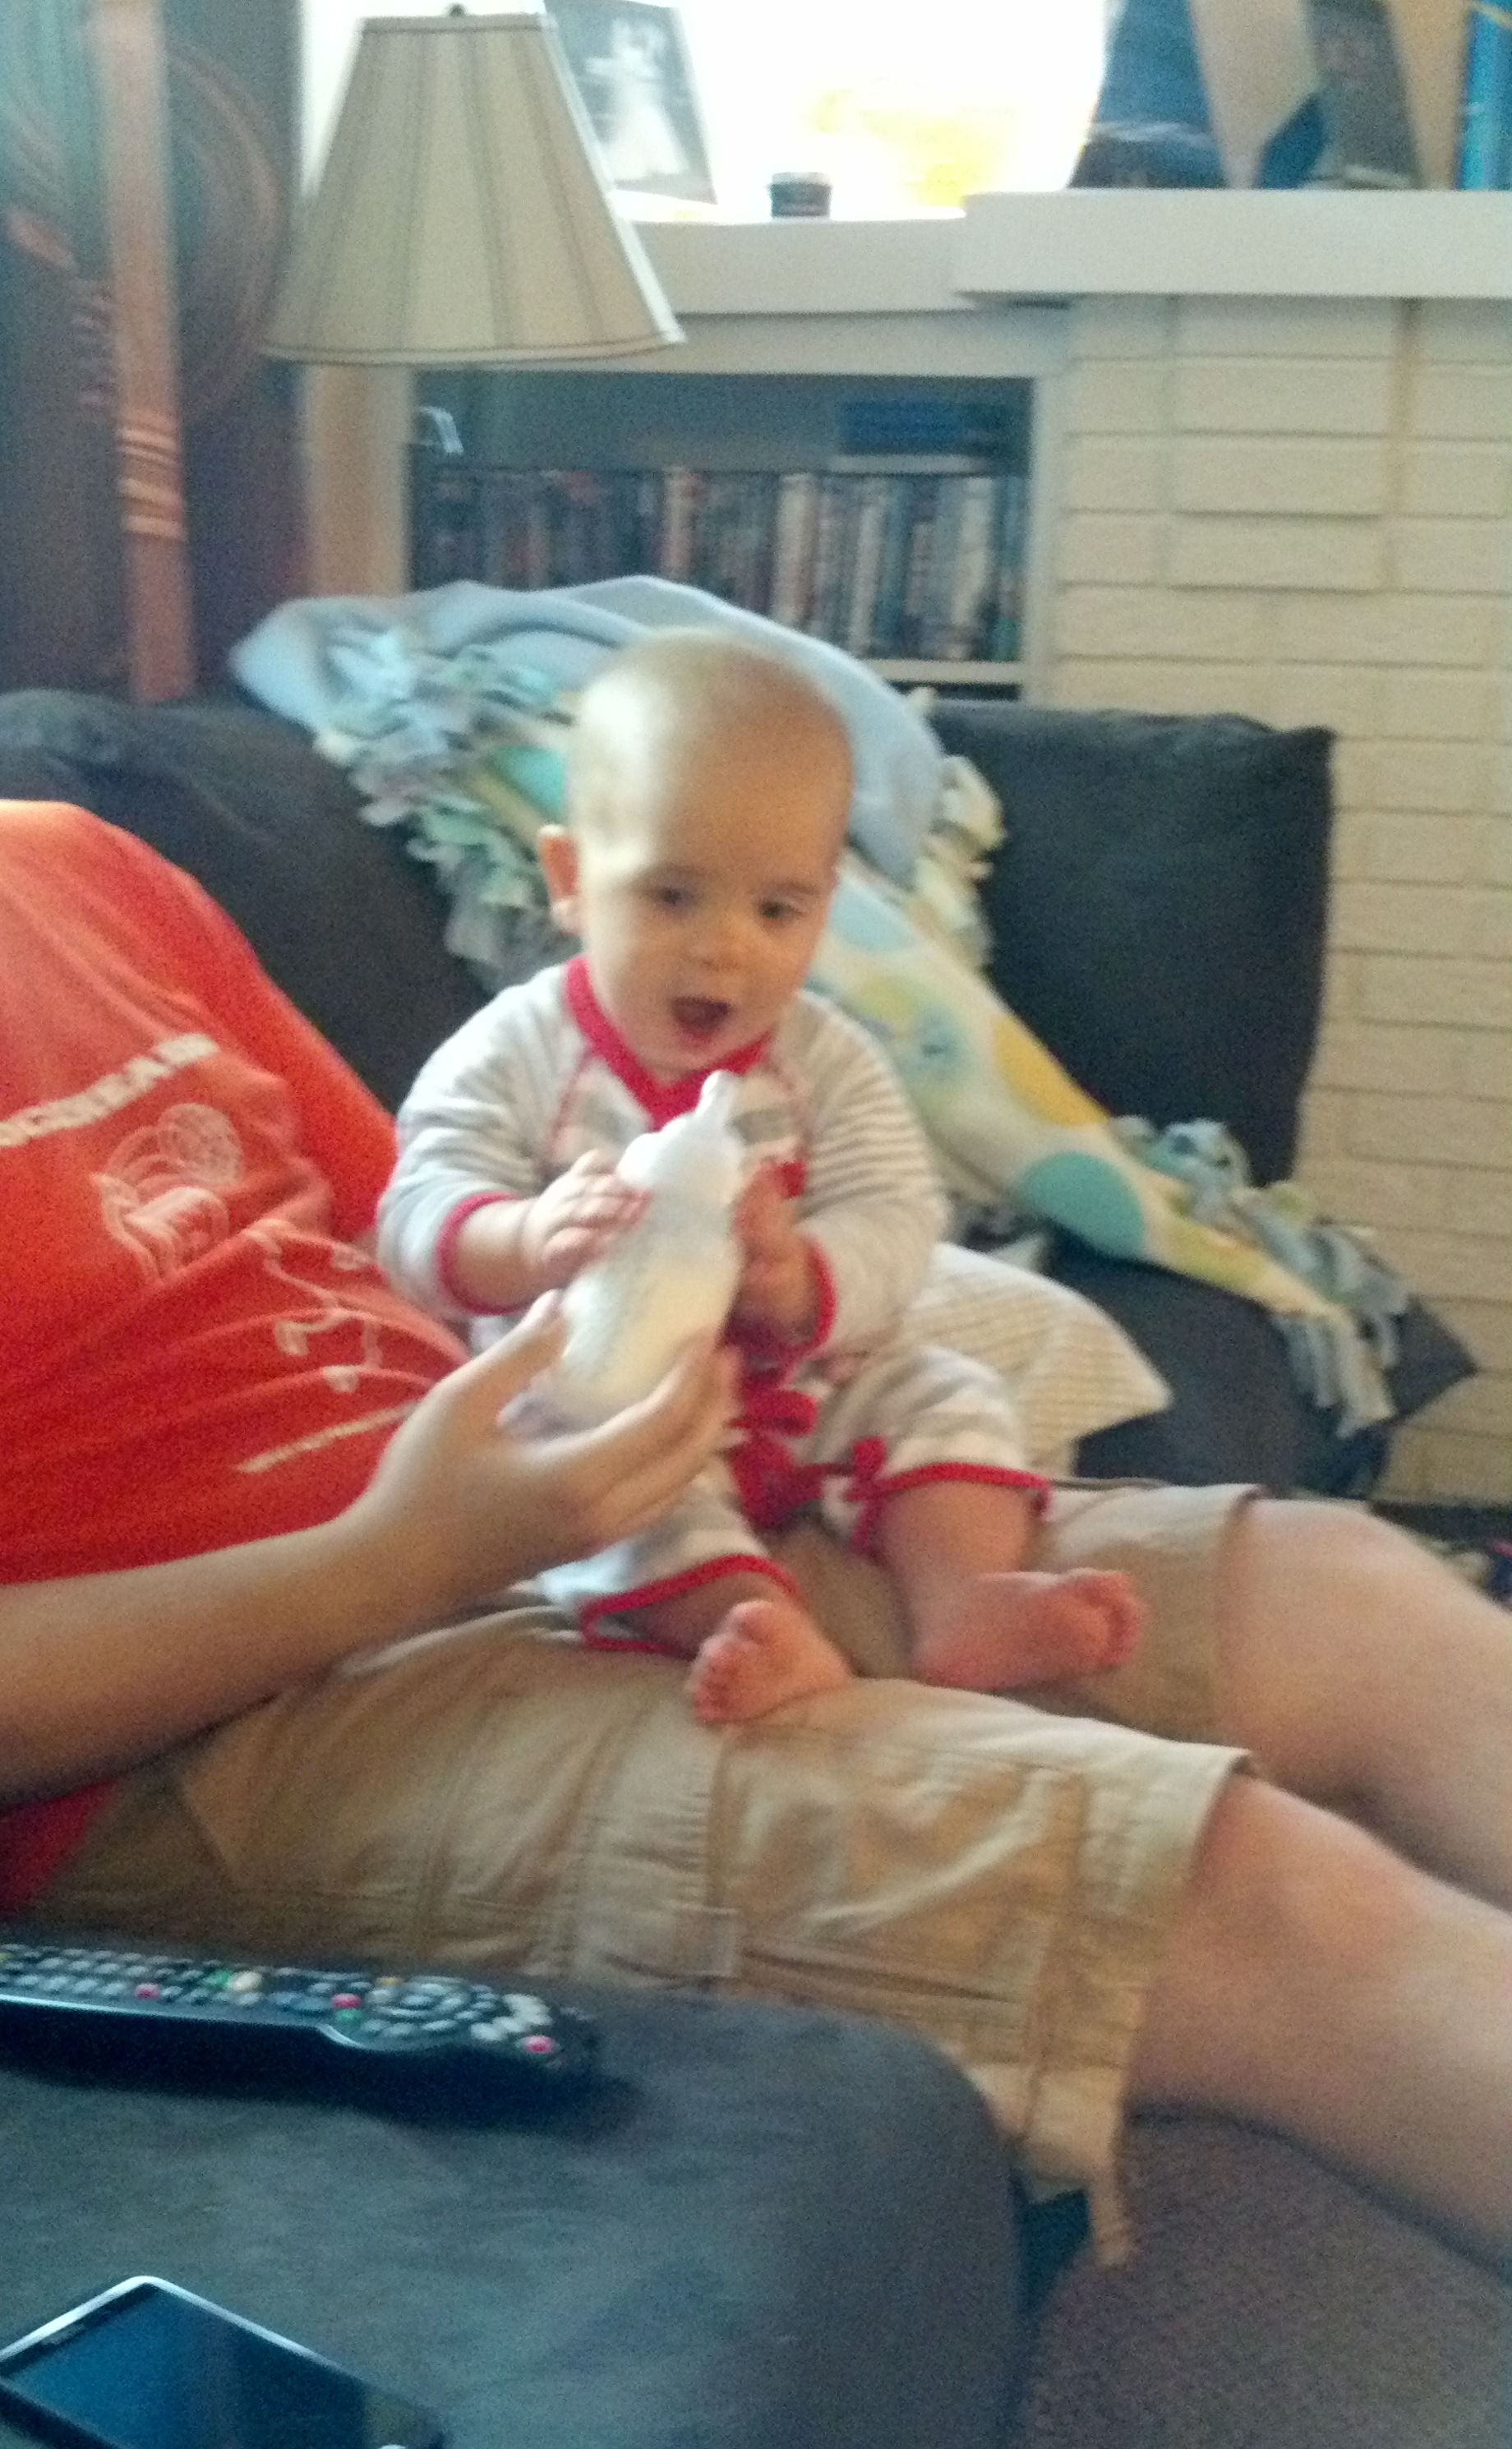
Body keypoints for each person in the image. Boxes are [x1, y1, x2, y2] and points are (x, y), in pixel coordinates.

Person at [2, 791, 1511, 2275]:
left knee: (1355, 1600)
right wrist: (396, 1560)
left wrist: (680, 1300)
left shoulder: (82, 868)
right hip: (206, 1724)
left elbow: (414, 1235)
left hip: (537, 1519)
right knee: (1245, 1892)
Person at [379, 632, 1143, 1725]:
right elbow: (415, 1207)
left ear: (823, 909)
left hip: (800, 1390)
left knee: (946, 1392)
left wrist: (802, 1274)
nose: (724, 950)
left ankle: (966, 1601)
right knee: (593, 1496)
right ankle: (752, 1620)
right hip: (608, 1403)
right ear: (571, 881)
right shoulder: (518, 1049)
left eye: (776, 911)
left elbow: (899, 1215)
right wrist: (522, 1236)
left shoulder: (826, 1062)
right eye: (672, 897)